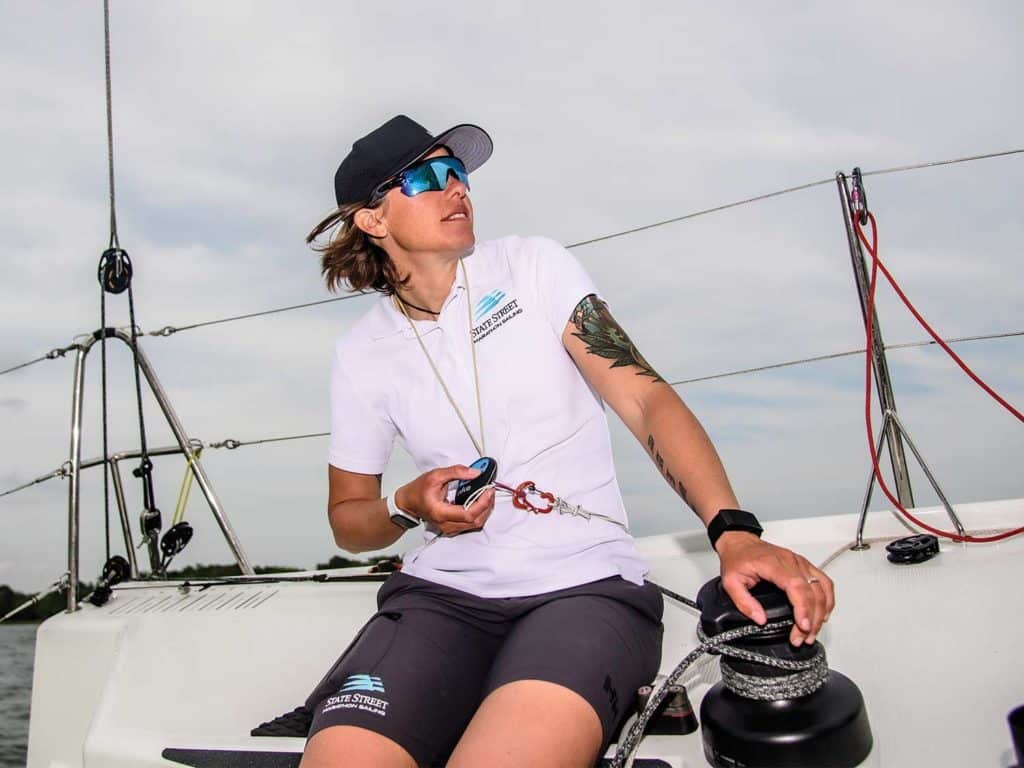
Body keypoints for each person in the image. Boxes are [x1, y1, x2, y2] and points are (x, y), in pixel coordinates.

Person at [301, 115, 835, 768]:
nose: (456, 188)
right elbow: (348, 519)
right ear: (373, 221)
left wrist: (733, 531)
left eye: (458, 172)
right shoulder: (361, 355)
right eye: (428, 177)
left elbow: (643, 394)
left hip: (584, 589)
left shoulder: (533, 267)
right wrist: (406, 504)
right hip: (439, 598)